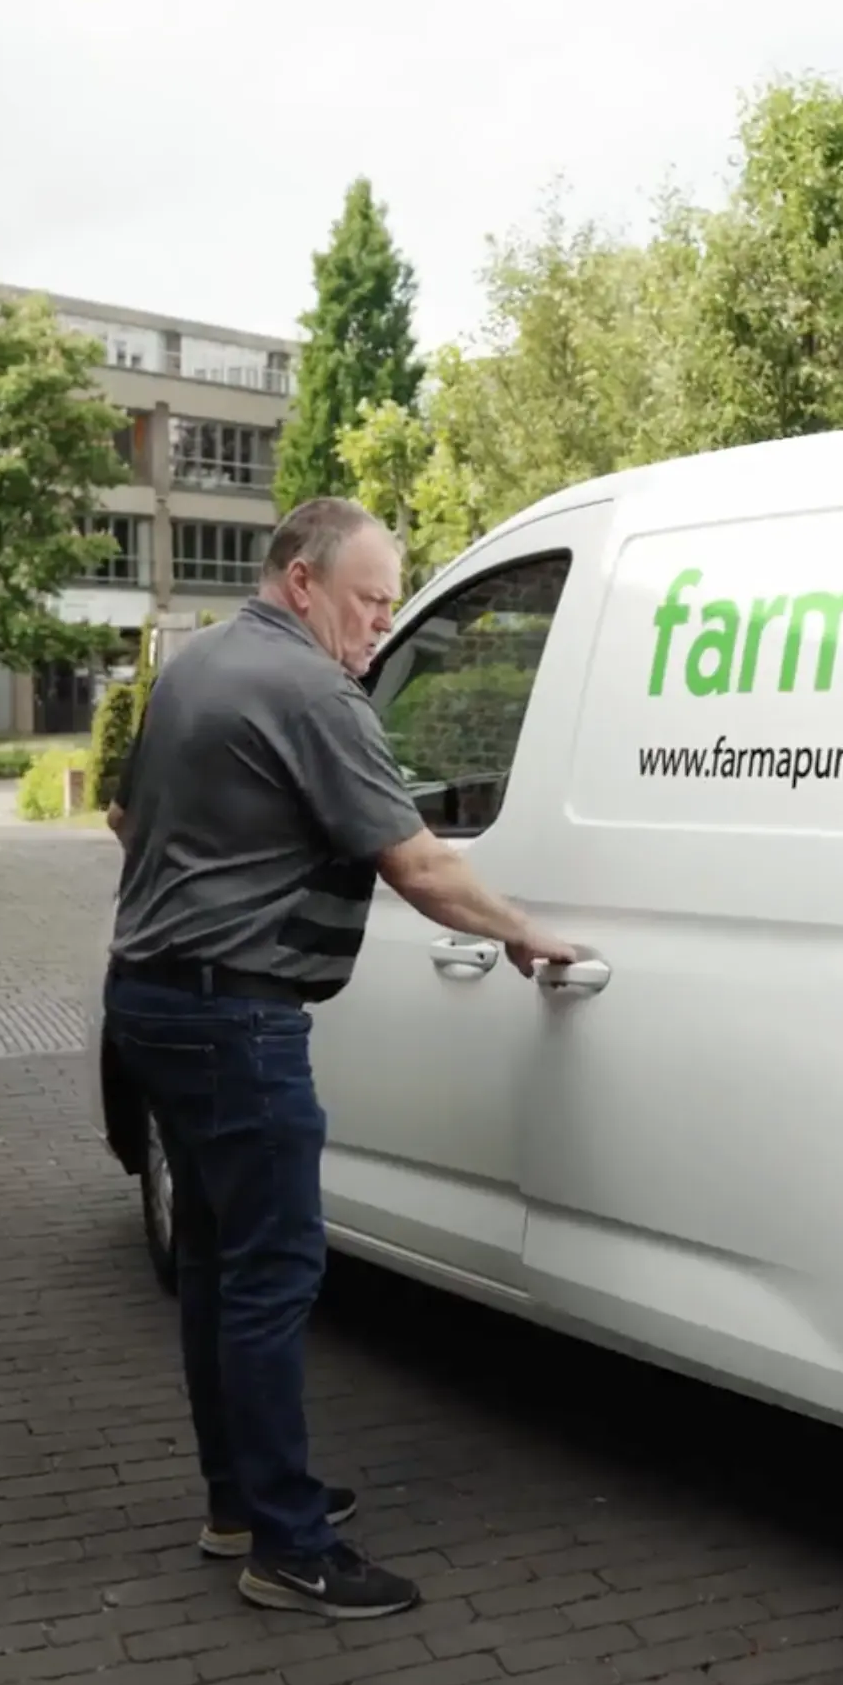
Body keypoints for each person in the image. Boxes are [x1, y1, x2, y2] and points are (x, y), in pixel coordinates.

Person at [101, 496, 575, 1620]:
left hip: (151, 1002)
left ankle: (241, 1502)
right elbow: (419, 866)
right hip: (235, 1021)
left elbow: (127, 818)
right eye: (368, 603)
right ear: (302, 581)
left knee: (220, 1270)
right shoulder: (313, 689)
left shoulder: (200, 662)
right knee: (273, 1280)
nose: (378, 627)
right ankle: (289, 1548)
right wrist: (523, 929)